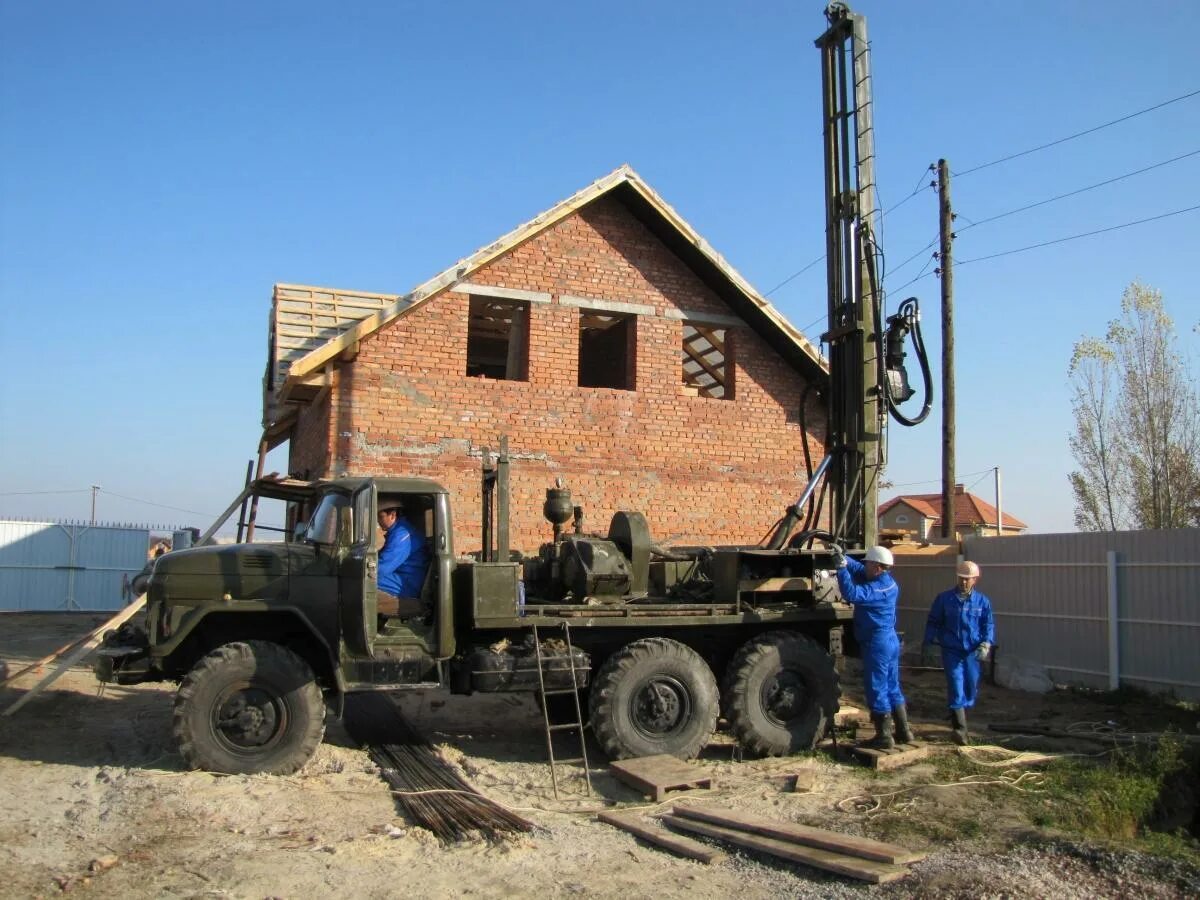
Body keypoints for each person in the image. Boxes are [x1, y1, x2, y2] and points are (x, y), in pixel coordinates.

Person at [834, 545, 914, 749]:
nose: (865, 566)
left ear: (878, 567)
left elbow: (851, 593)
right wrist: (844, 557)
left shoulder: (877, 590)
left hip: (877, 643)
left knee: (877, 687)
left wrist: (841, 569)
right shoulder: (886, 582)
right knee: (892, 685)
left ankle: (884, 736)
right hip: (889, 640)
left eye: (868, 563)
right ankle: (904, 731)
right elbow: (861, 571)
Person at [923, 560, 994, 745]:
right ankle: (960, 729)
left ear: (975, 580)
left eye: (967, 579)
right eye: (961, 578)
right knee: (956, 684)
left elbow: (988, 624)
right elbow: (933, 621)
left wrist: (986, 643)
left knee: (970, 686)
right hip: (951, 650)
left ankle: (960, 708)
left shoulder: (982, 602)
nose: (963, 582)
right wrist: (929, 642)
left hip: (971, 651)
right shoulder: (944, 599)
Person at [377, 503, 431, 619]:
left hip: (408, 583)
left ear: (392, 515)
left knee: (367, 580)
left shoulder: (401, 534)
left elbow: (383, 568)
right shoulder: (398, 530)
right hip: (402, 576)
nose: (378, 521)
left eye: (380, 517)